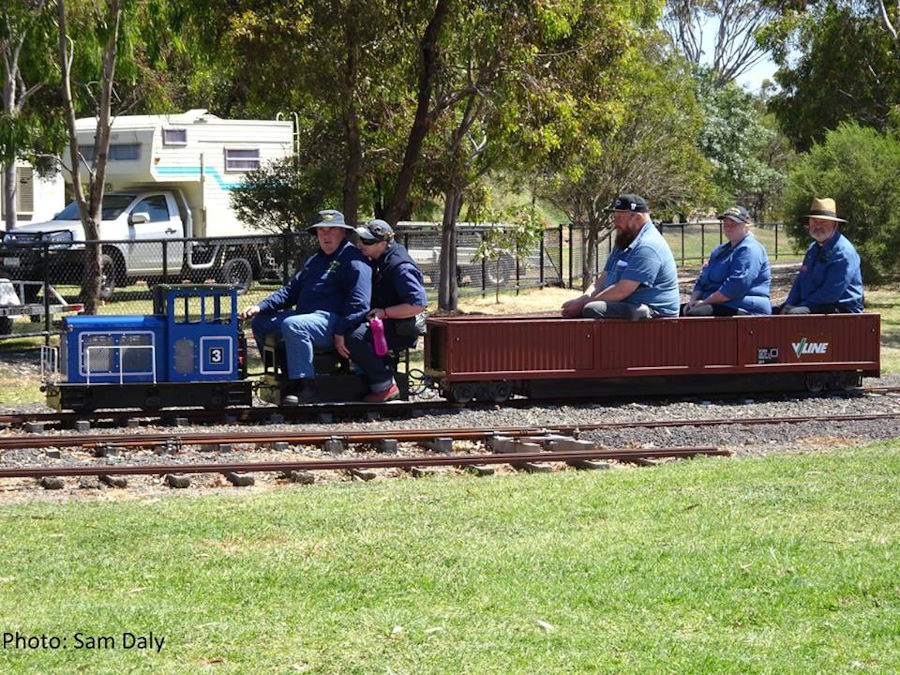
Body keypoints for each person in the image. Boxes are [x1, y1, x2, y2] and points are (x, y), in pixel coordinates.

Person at [238, 209, 371, 404]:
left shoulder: (353, 260)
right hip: (306, 318)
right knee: (261, 323)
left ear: (343, 232)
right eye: (321, 230)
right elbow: (290, 291)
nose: (325, 235)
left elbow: (359, 303)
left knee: (294, 325)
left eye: (331, 229)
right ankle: (284, 376)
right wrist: (261, 307)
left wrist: (341, 331)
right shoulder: (315, 260)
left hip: (333, 322)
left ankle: (306, 386)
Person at [346, 219, 428, 402]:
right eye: (361, 239)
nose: (361, 244)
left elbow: (418, 304)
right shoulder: (378, 258)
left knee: (355, 337)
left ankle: (385, 385)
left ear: (383, 244)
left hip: (400, 327)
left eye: (367, 241)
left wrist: (385, 313)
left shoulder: (401, 268)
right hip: (384, 321)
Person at [561, 194, 679, 319]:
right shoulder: (625, 241)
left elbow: (623, 290)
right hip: (628, 305)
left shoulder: (648, 246)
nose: (615, 223)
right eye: (615, 217)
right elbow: (601, 282)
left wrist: (584, 305)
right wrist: (582, 300)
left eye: (620, 218)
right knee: (588, 306)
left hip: (654, 313)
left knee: (593, 309)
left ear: (638, 218)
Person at [778, 197, 863, 314]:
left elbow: (831, 292)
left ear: (835, 225)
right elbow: (800, 282)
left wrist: (803, 306)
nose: (818, 226)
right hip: (812, 306)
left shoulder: (842, 252)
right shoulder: (813, 249)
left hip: (841, 312)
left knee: (794, 315)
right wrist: (789, 304)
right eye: (814, 222)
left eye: (823, 222)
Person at [682, 205, 771, 316]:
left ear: (746, 226)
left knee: (695, 315)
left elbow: (736, 286)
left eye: (733, 224)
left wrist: (704, 303)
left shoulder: (749, 249)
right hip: (716, 303)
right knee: (678, 312)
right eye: (725, 224)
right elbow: (702, 281)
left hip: (745, 307)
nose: (728, 227)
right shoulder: (720, 251)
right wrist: (692, 302)